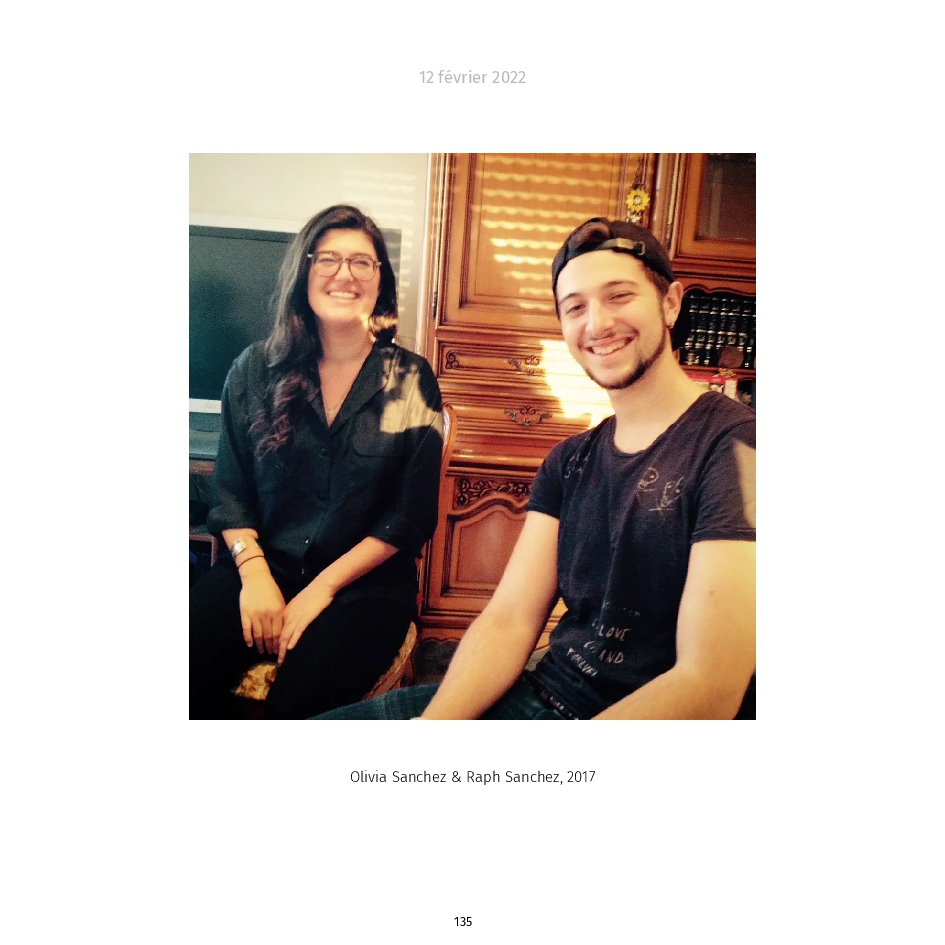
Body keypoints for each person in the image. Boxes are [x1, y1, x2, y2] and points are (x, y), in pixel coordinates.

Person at [315, 217, 755, 720]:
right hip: (542, 696)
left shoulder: (739, 447)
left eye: (619, 296)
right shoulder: (569, 461)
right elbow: (510, 619)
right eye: (575, 308)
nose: (597, 324)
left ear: (671, 303)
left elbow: (708, 686)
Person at [190, 205, 444, 719]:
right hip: (264, 567)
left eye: (361, 262)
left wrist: (320, 590)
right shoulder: (253, 369)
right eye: (328, 258)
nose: (344, 274)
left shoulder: (412, 380)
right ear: (303, 271)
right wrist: (255, 575)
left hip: (363, 588)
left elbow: (408, 516)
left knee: (293, 707)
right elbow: (231, 496)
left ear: (379, 280)